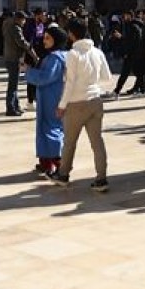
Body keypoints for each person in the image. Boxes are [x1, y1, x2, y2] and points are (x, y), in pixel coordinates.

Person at [49, 16, 112, 191]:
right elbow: (106, 77)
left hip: (76, 103)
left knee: (69, 142)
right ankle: (101, 178)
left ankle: (63, 174)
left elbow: (69, 83)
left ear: (71, 34)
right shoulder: (98, 52)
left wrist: (62, 105)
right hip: (95, 100)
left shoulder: (73, 54)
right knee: (97, 142)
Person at [25, 25, 68, 178]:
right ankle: (45, 162)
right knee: (46, 128)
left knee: (51, 128)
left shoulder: (55, 58)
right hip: (52, 95)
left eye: (48, 38)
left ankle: (59, 162)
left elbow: (45, 77)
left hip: (52, 97)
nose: (44, 40)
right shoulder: (61, 55)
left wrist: (28, 71)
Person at [1, 10, 31, 116]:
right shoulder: (16, 28)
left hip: (9, 57)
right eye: (24, 20)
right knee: (13, 85)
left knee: (14, 84)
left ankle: (16, 105)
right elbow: (21, 42)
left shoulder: (7, 24)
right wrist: (29, 47)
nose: (24, 22)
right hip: (14, 58)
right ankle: (10, 108)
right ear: (19, 19)